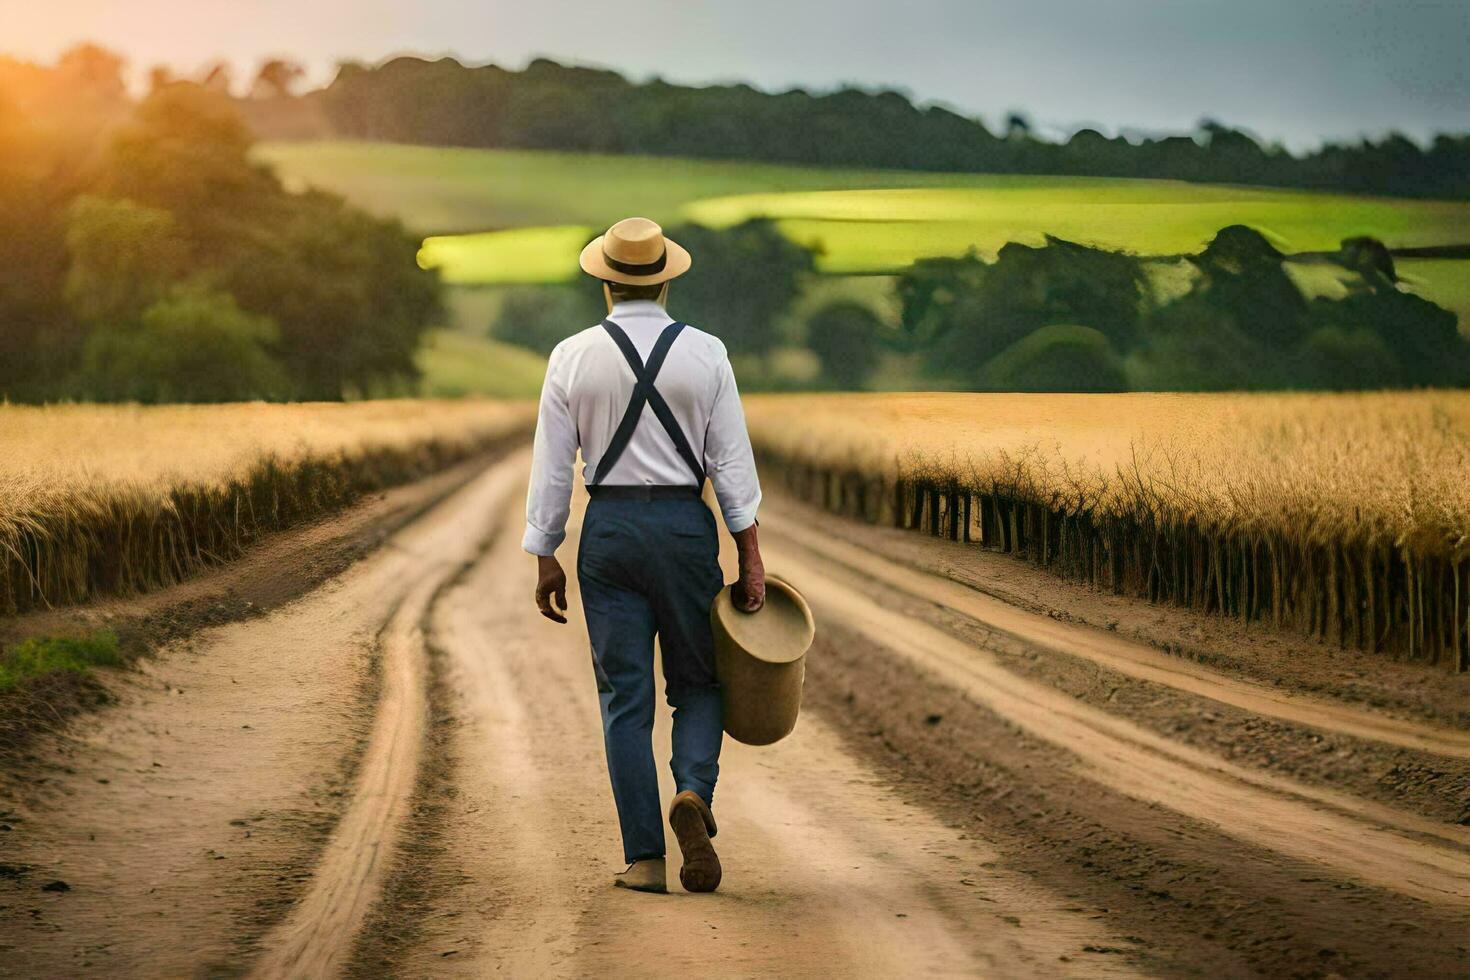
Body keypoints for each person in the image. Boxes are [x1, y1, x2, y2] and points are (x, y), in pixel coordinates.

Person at [523, 217, 766, 895]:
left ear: (604, 281)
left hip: (610, 530)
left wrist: (546, 551)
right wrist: (749, 554)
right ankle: (692, 791)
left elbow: (551, 467)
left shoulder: (570, 355)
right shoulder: (708, 353)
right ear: (664, 279)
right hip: (686, 529)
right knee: (699, 681)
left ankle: (646, 860)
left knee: (624, 699)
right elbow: (731, 465)